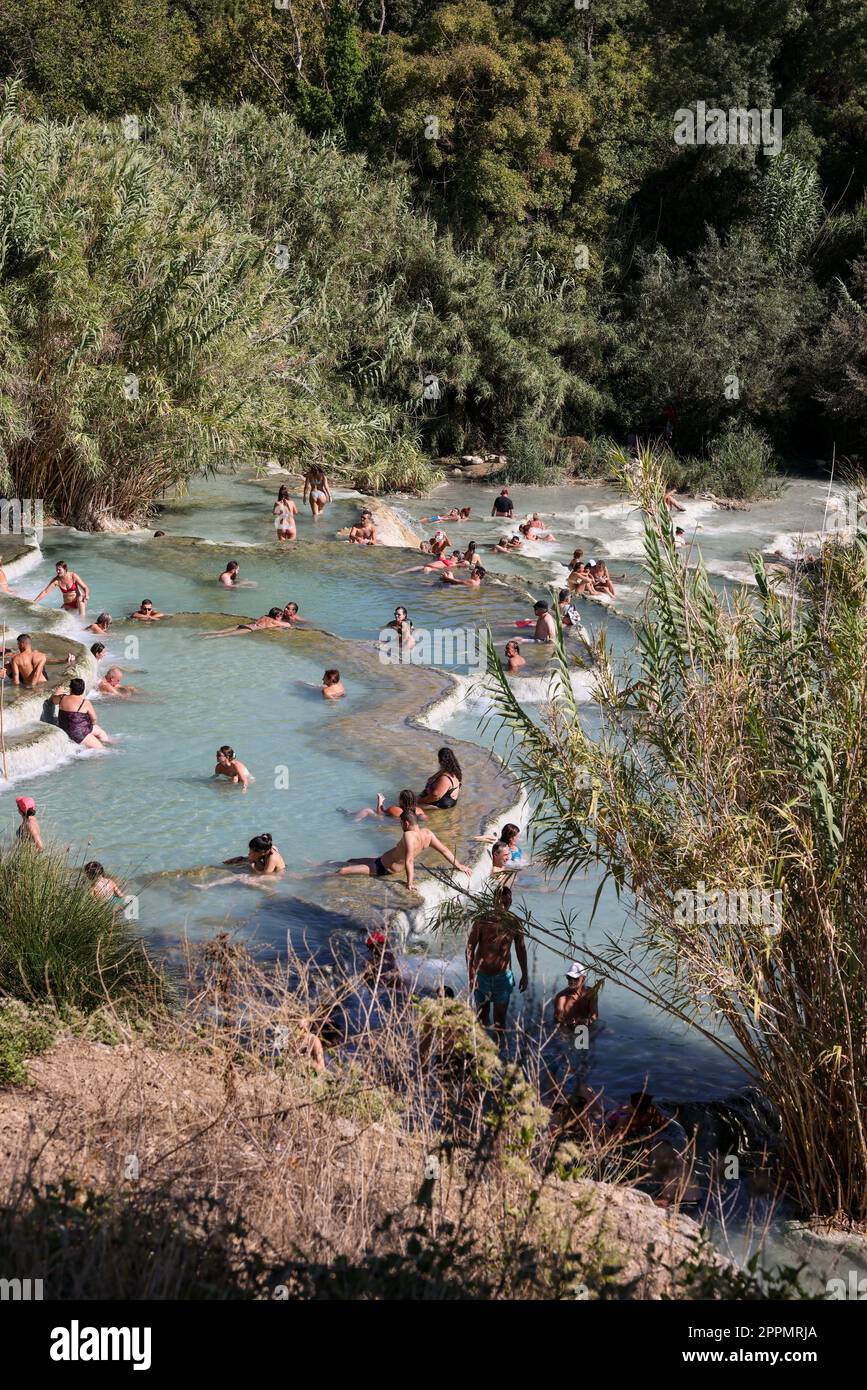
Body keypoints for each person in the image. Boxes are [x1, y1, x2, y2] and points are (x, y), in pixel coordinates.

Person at [337, 809, 471, 892]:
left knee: (343, 871)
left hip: (383, 868)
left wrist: (410, 883)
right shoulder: (428, 834)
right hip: (380, 861)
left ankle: (318, 876)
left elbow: (409, 860)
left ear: (406, 823)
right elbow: (444, 850)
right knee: (351, 861)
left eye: (401, 823)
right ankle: (325, 864)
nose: (401, 826)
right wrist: (458, 865)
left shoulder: (408, 835)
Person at [466, 885, 528, 1037]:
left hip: (503, 977)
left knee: (500, 1022)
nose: (505, 905)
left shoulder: (514, 922)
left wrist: (525, 974)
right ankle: (481, 1052)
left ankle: (500, 1054)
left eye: (508, 902)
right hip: (482, 976)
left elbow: (521, 949)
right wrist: (471, 973)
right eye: (502, 902)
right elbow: (470, 947)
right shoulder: (483, 921)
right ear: (494, 901)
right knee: (482, 1018)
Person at [53, 677, 113, 749]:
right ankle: (106, 743)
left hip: (64, 728)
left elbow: (54, 700)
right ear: (82, 689)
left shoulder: (62, 698)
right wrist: (88, 727)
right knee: (101, 749)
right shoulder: (85, 702)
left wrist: (59, 691)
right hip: (79, 734)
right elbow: (94, 719)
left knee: (99, 731)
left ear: (70, 689)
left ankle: (105, 741)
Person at [553, 962, 600, 1029]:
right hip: (567, 1029)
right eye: (569, 977)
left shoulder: (591, 993)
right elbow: (558, 1020)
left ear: (583, 978)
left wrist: (587, 1021)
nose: (571, 981)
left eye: (575, 978)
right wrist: (569, 1023)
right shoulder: (561, 997)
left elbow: (594, 1015)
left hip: (586, 1027)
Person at [351, 787, 428, 824]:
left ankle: (354, 822)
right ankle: (351, 814)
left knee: (367, 810)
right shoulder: (419, 810)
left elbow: (380, 813)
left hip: (390, 822)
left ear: (401, 800)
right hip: (404, 824)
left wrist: (380, 801)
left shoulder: (396, 809)